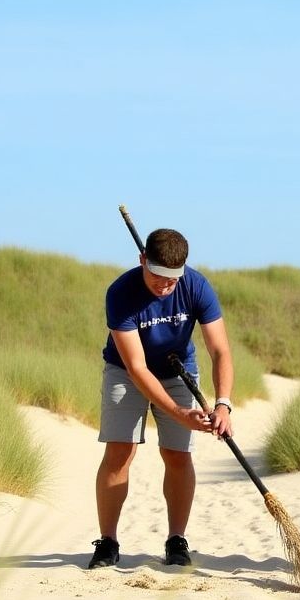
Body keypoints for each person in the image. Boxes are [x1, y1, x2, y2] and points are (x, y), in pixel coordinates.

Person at [89, 228, 234, 569]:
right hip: (125, 372)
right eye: (157, 279)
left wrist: (223, 403)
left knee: (178, 454)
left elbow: (220, 350)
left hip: (178, 370)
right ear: (143, 260)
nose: (165, 287)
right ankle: (107, 542)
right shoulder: (121, 293)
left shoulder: (196, 286)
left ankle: (176, 540)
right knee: (120, 451)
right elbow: (137, 368)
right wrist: (179, 413)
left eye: (172, 281)